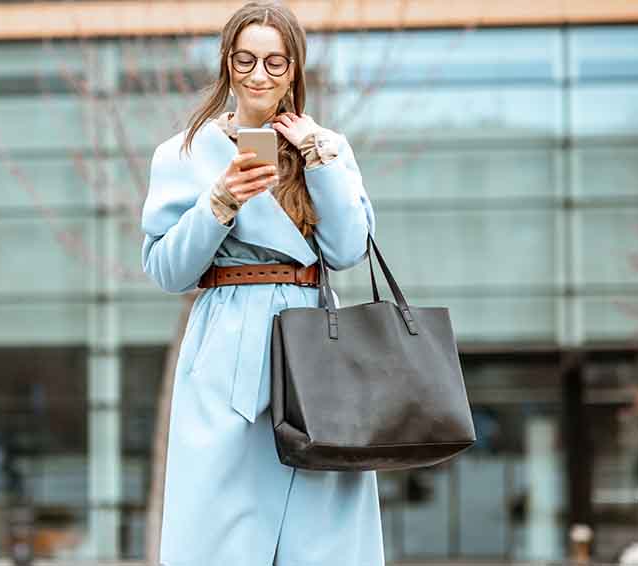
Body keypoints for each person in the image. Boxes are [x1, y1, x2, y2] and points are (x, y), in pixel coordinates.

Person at [140, 2, 383, 564]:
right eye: (246, 58)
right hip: (226, 350)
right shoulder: (184, 153)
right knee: (222, 531)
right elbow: (167, 270)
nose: (259, 74)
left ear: (294, 69)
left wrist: (318, 159)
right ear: (227, 62)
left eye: (276, 62)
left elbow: (347, 251)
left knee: (323, 528)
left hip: (315, 351)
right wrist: (218, 203)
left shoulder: (328, 145)